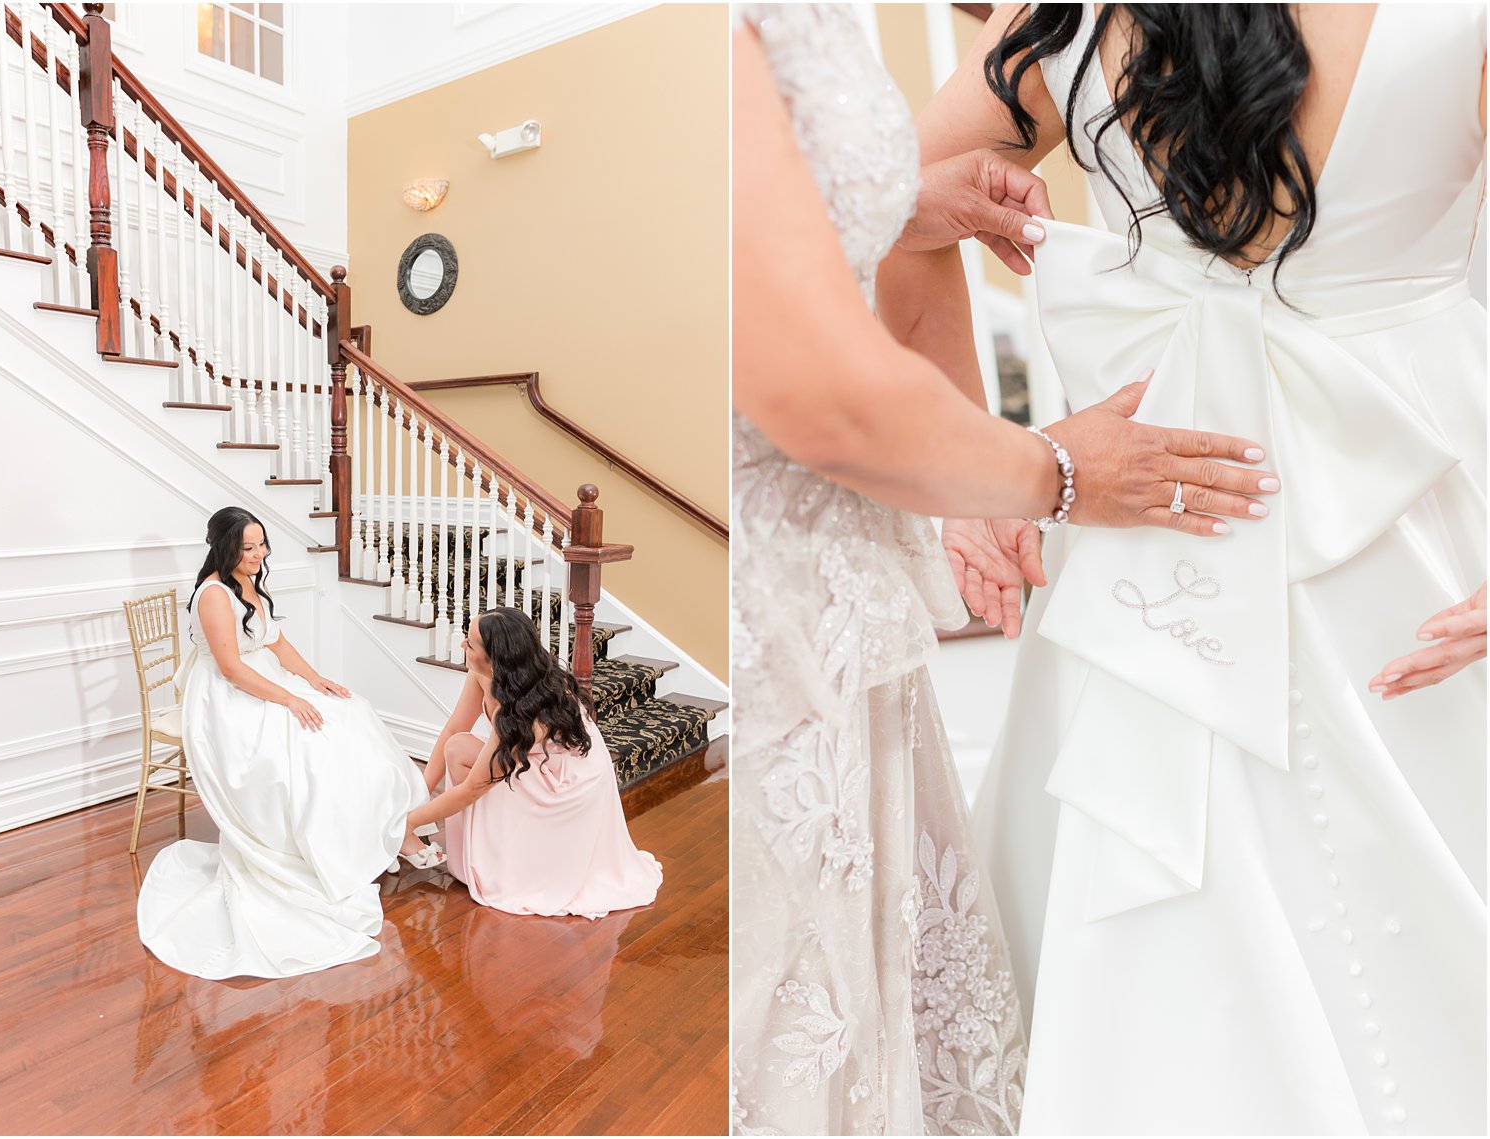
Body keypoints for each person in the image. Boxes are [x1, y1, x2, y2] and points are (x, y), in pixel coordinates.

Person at [879, 3, 1487, 1132]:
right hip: (1402, 533)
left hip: (1158, 533)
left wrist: (979, 473)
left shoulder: (1069, 18)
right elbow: (893, 208)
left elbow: (884, 206)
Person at [730, 4, 1283, 1133]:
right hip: (789, 564)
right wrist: (1046, 473)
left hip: (846, 582)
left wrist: (914, 204)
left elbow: (878, 213)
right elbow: (815, 381)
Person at [137, 506, 434, 979]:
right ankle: (370, 840)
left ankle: (384, 830)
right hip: (225, 697)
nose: (259, 555)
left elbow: (275, 642)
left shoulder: (249, 581)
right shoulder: (214, 594)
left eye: (262, 545)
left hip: (264, 678)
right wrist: (289, 702)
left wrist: (315, 681)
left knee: (348, 711)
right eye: (248, 548)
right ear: (225, 547)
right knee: (307, 742)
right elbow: (232, 669)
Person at [412, 607, 661, 919]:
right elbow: (454, 728)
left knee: (467, 763)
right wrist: (420, 793)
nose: (463, 644)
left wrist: (407, 821)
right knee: (457, 746)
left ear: (495, 659)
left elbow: (473, 788)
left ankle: (509, 864)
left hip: (566, 786)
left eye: (470, 643)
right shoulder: (481, 675)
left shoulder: (522, 714)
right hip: (535, 761)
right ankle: (479, 853)